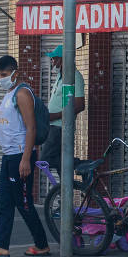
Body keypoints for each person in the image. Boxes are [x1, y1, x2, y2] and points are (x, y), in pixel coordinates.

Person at [0, 55, 50, 257]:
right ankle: (1, 246)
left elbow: (31, 128)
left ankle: (42, 244)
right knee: (5, 203)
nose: (0, 78)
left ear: (14, 73)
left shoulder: (22, 94)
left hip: (20, 155)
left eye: (4, 74)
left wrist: (26, 159)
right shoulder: (10, 93)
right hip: (9, 156)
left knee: (24, 202)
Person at [39, 45, 85, 174]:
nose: (52, 62)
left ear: (62, 59)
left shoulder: (74, 77)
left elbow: (80, 105)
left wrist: (56, 115)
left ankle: (82, 165)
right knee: (62, 170)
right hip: (53, 126)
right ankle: (63, 192)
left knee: (45, 159)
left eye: (54, 59)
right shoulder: (61, 77)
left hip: (60, 127)